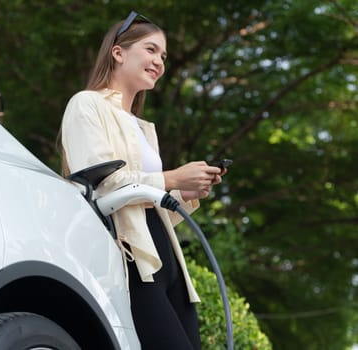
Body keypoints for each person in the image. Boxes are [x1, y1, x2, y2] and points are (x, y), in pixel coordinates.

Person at [60, 11, 226, 350]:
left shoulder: (142, 127)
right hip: (130, 259)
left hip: (167, 259)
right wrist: (170, 177)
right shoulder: (86, 105)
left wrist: (186, 191)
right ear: (118, 52)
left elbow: (152, 208)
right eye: (151, 50)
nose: (159, 61)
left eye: (163, 56)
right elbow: (100, 186)